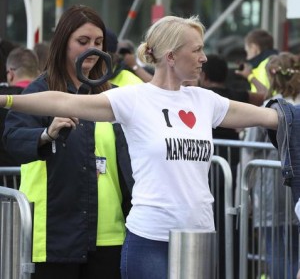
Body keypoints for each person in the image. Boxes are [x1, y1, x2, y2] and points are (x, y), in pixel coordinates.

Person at [0, 15, 279, 279]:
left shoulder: (206, 101)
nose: (203, 58)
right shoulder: (132, 97)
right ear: (171, 56)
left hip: (199, 235)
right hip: (147, 237)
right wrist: (6, 100)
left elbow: (271, 117)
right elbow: (63, 102)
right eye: (197, 50)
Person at [3, 5, 133, 279]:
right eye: (82, 42)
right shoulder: (40, 91)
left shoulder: (114, 97)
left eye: (98, 42)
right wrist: (46, 134)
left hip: (109, 234)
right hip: (54, 232)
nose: (92, 49)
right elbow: (13, 138)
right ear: (63, 44)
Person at [199, 54, 265, 278]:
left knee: (215, 219)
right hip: (233, 168)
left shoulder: (203, 98)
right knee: (230, 220)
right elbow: (264, 96)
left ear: (203, 75)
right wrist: (251, 76)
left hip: (209, 169)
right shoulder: (235, 97)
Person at [242, 52, 300, 279]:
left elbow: (248, 150)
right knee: (295, 250)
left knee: (274, 249)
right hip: (295, 188)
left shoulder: (268, 108)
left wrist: (245, 191)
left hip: (270, 189)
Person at [0, 47, 39, 170]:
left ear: (10, 74)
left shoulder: (3, 99)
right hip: (34, 179)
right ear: (38, 73)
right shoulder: (47, 100)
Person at [235, 29, 278, 97]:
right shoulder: (275, 61)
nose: (247, 57)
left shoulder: (265, 66)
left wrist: (249, 76)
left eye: (247, 51)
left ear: (253, 47)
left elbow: (265, 95)